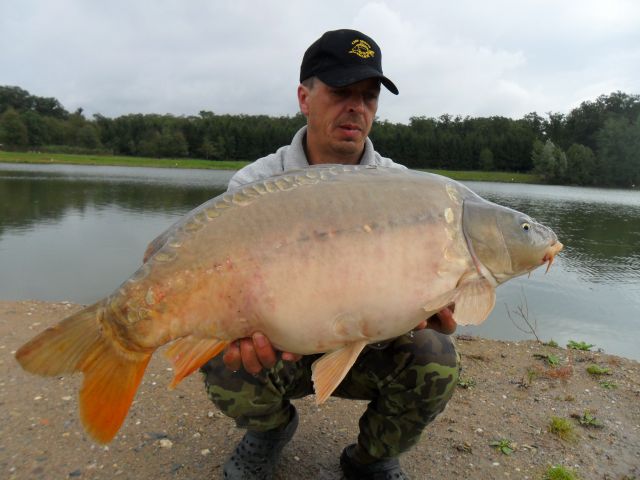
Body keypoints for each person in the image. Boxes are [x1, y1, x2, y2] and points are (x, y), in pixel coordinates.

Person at [200, 29, 460, 480]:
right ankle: (270, 431)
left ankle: (372, 457)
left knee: (435, 351)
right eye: (342, 92)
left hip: (371, 344)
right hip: (282, 346)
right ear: (304, 97)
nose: (356, 107)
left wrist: (435, 302)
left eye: (369, 96)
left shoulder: (407, 191)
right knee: (220, 353)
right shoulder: (254, 187)